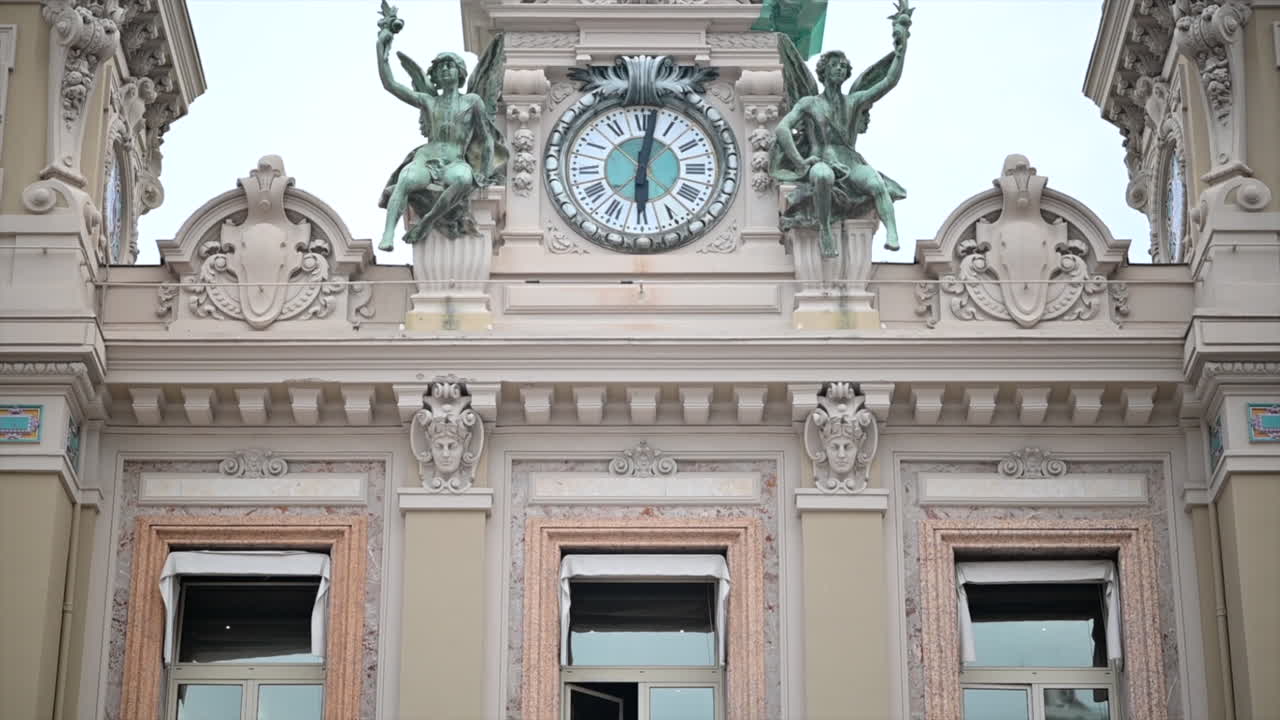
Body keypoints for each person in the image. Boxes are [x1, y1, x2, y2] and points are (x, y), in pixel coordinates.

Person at [771, 2, 912, 256]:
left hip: (851, 163)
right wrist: (802, 163)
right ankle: (824, 228)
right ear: (823, 72)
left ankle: (892, 232)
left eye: (842, 65)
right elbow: (782, 129)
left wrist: (901, 48)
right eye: (833, 65)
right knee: (823, 177)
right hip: (821, 160)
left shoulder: (854, 102)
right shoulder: (809, 103)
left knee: (876, 183)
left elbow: (888, 82)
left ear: (847, 73)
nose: (838, 68)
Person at [375, 26, 505, 251]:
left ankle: (428, 221)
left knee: (464, 180)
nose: (445, 69)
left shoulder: (472, 101)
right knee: (405, 179)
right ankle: (388, 235)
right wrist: (381, 48)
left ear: (460, 72)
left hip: (455, 162)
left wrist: (483, 172)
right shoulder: (428, 101)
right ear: (434, 75)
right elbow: (391, 85)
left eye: (450, 65)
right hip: (427, 159)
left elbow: (485, 138)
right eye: (441, 66)